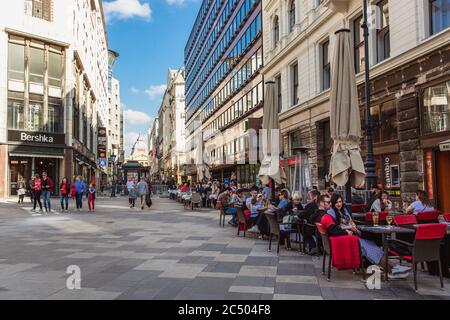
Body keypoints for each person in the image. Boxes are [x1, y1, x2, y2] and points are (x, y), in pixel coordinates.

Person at [322, 194, 410, 278]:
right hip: (347, 239)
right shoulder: (331, 213)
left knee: (373, 245)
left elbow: (351, 221)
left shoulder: (343, 210)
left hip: (353, 236)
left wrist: (353, 226)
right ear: (333, 203)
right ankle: (391, 270)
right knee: (371, 249)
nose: (339, 204)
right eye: (336, 202)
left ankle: (393, 267)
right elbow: (335, 228)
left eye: (340, 202)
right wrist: (349, 229)